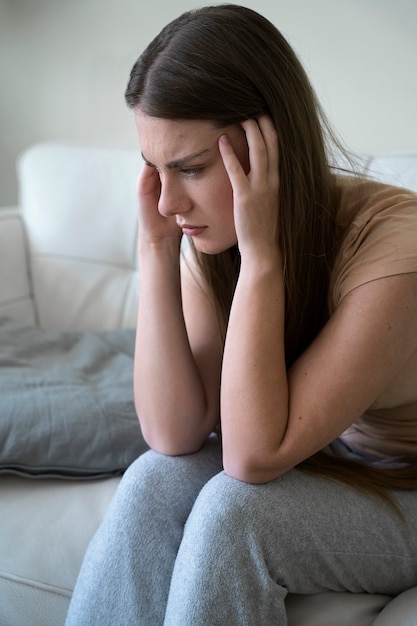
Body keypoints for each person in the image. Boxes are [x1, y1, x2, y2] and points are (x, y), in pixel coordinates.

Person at [65, 5, 417, 625]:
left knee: (237, 510)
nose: (170, 201)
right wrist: (155, 249)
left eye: (192, 169)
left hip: (405, 489)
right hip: (328, 462)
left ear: (266, 147)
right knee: (153, 480)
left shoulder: (396, 249)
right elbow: (174, 432)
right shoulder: (205, 234)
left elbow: (252, 457)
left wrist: (262, 259)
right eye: (155, 170)